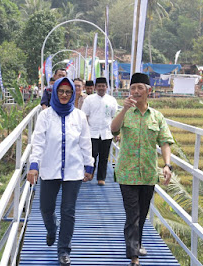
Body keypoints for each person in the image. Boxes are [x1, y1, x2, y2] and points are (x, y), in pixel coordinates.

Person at [27, 77, 94, 266]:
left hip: (73, 170)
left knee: (68, 211)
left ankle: (64, 250)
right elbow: (38, 142)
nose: (64, 95)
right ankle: (51, 229)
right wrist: (34, 165)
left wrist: (89, 166)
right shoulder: (45, 116)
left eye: (68, 92)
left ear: (73, 94)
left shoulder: (79, 116)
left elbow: (85, 143)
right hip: (49, 169)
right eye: (61, 91)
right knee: (46, 208)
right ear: (55, 93)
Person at [111, 73, 174, 266]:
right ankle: (134, 255)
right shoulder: (125, 113)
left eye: (140, 88)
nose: (136, 91)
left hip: (148, 173)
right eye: (133, 88)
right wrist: (123, 110)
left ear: (149, 91)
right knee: (133, 214)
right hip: (127, 172)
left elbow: (165, 142)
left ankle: (137, 243)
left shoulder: (157, 117)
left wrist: (167, 164)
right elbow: (113, 130)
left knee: (143, 211)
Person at [81, 77, 118, 185]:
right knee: (92, 155)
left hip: (106, 133)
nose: (101, 88)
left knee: (104, 156)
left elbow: (114, 116)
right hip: (92, 132)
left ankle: (101, 178)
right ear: (95, 87)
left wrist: (116, 133)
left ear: (106, 87)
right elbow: (85, 116)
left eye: (103, 86)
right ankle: (89, 173)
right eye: (99, 86)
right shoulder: (89, 99)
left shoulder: (112, 100)